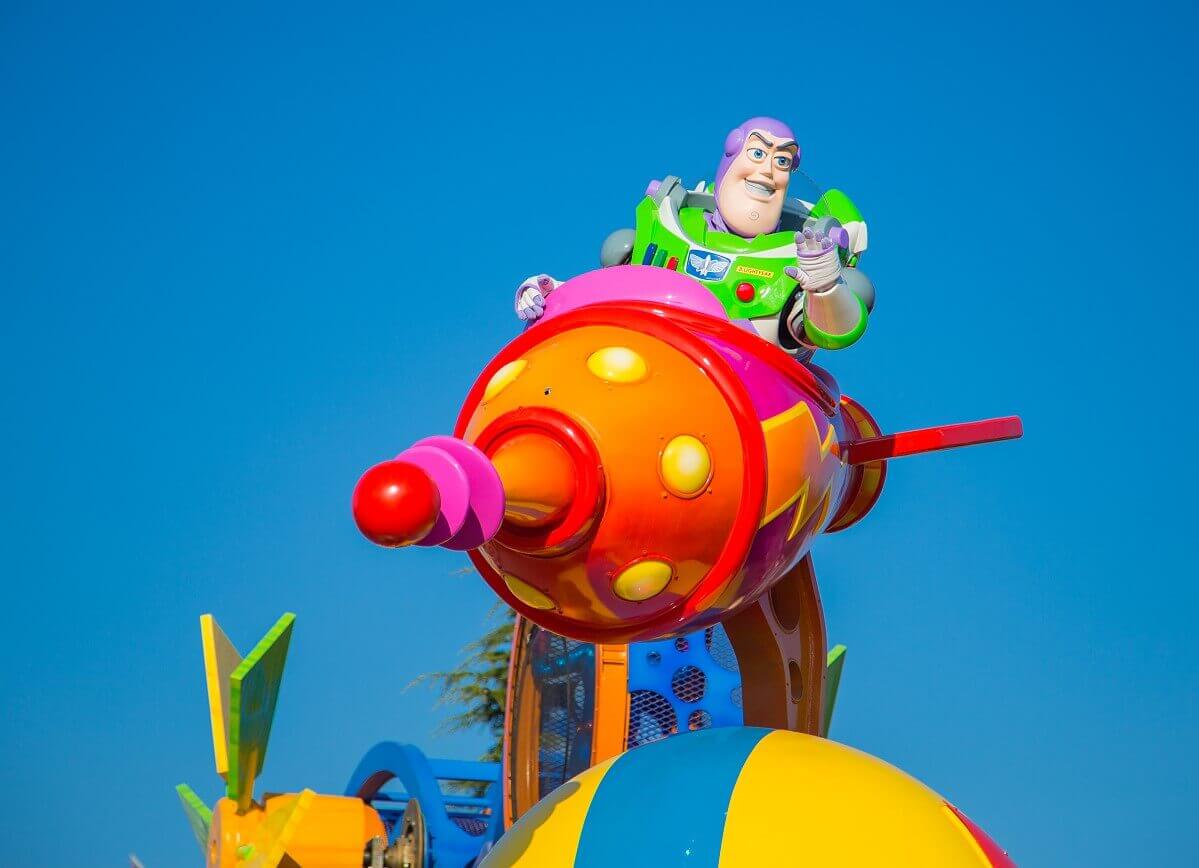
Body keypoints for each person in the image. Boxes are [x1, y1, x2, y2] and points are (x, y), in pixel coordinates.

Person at [514, 117, 874, 359]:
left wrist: (825, 289)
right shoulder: (669, 233)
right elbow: (608, 300)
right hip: (641, 371)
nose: (768, 170)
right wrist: (552, 293)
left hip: (740, 403)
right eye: (759, 153)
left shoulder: (795, 260)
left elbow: (822, 331)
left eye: (782, 162)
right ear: (731, 158)